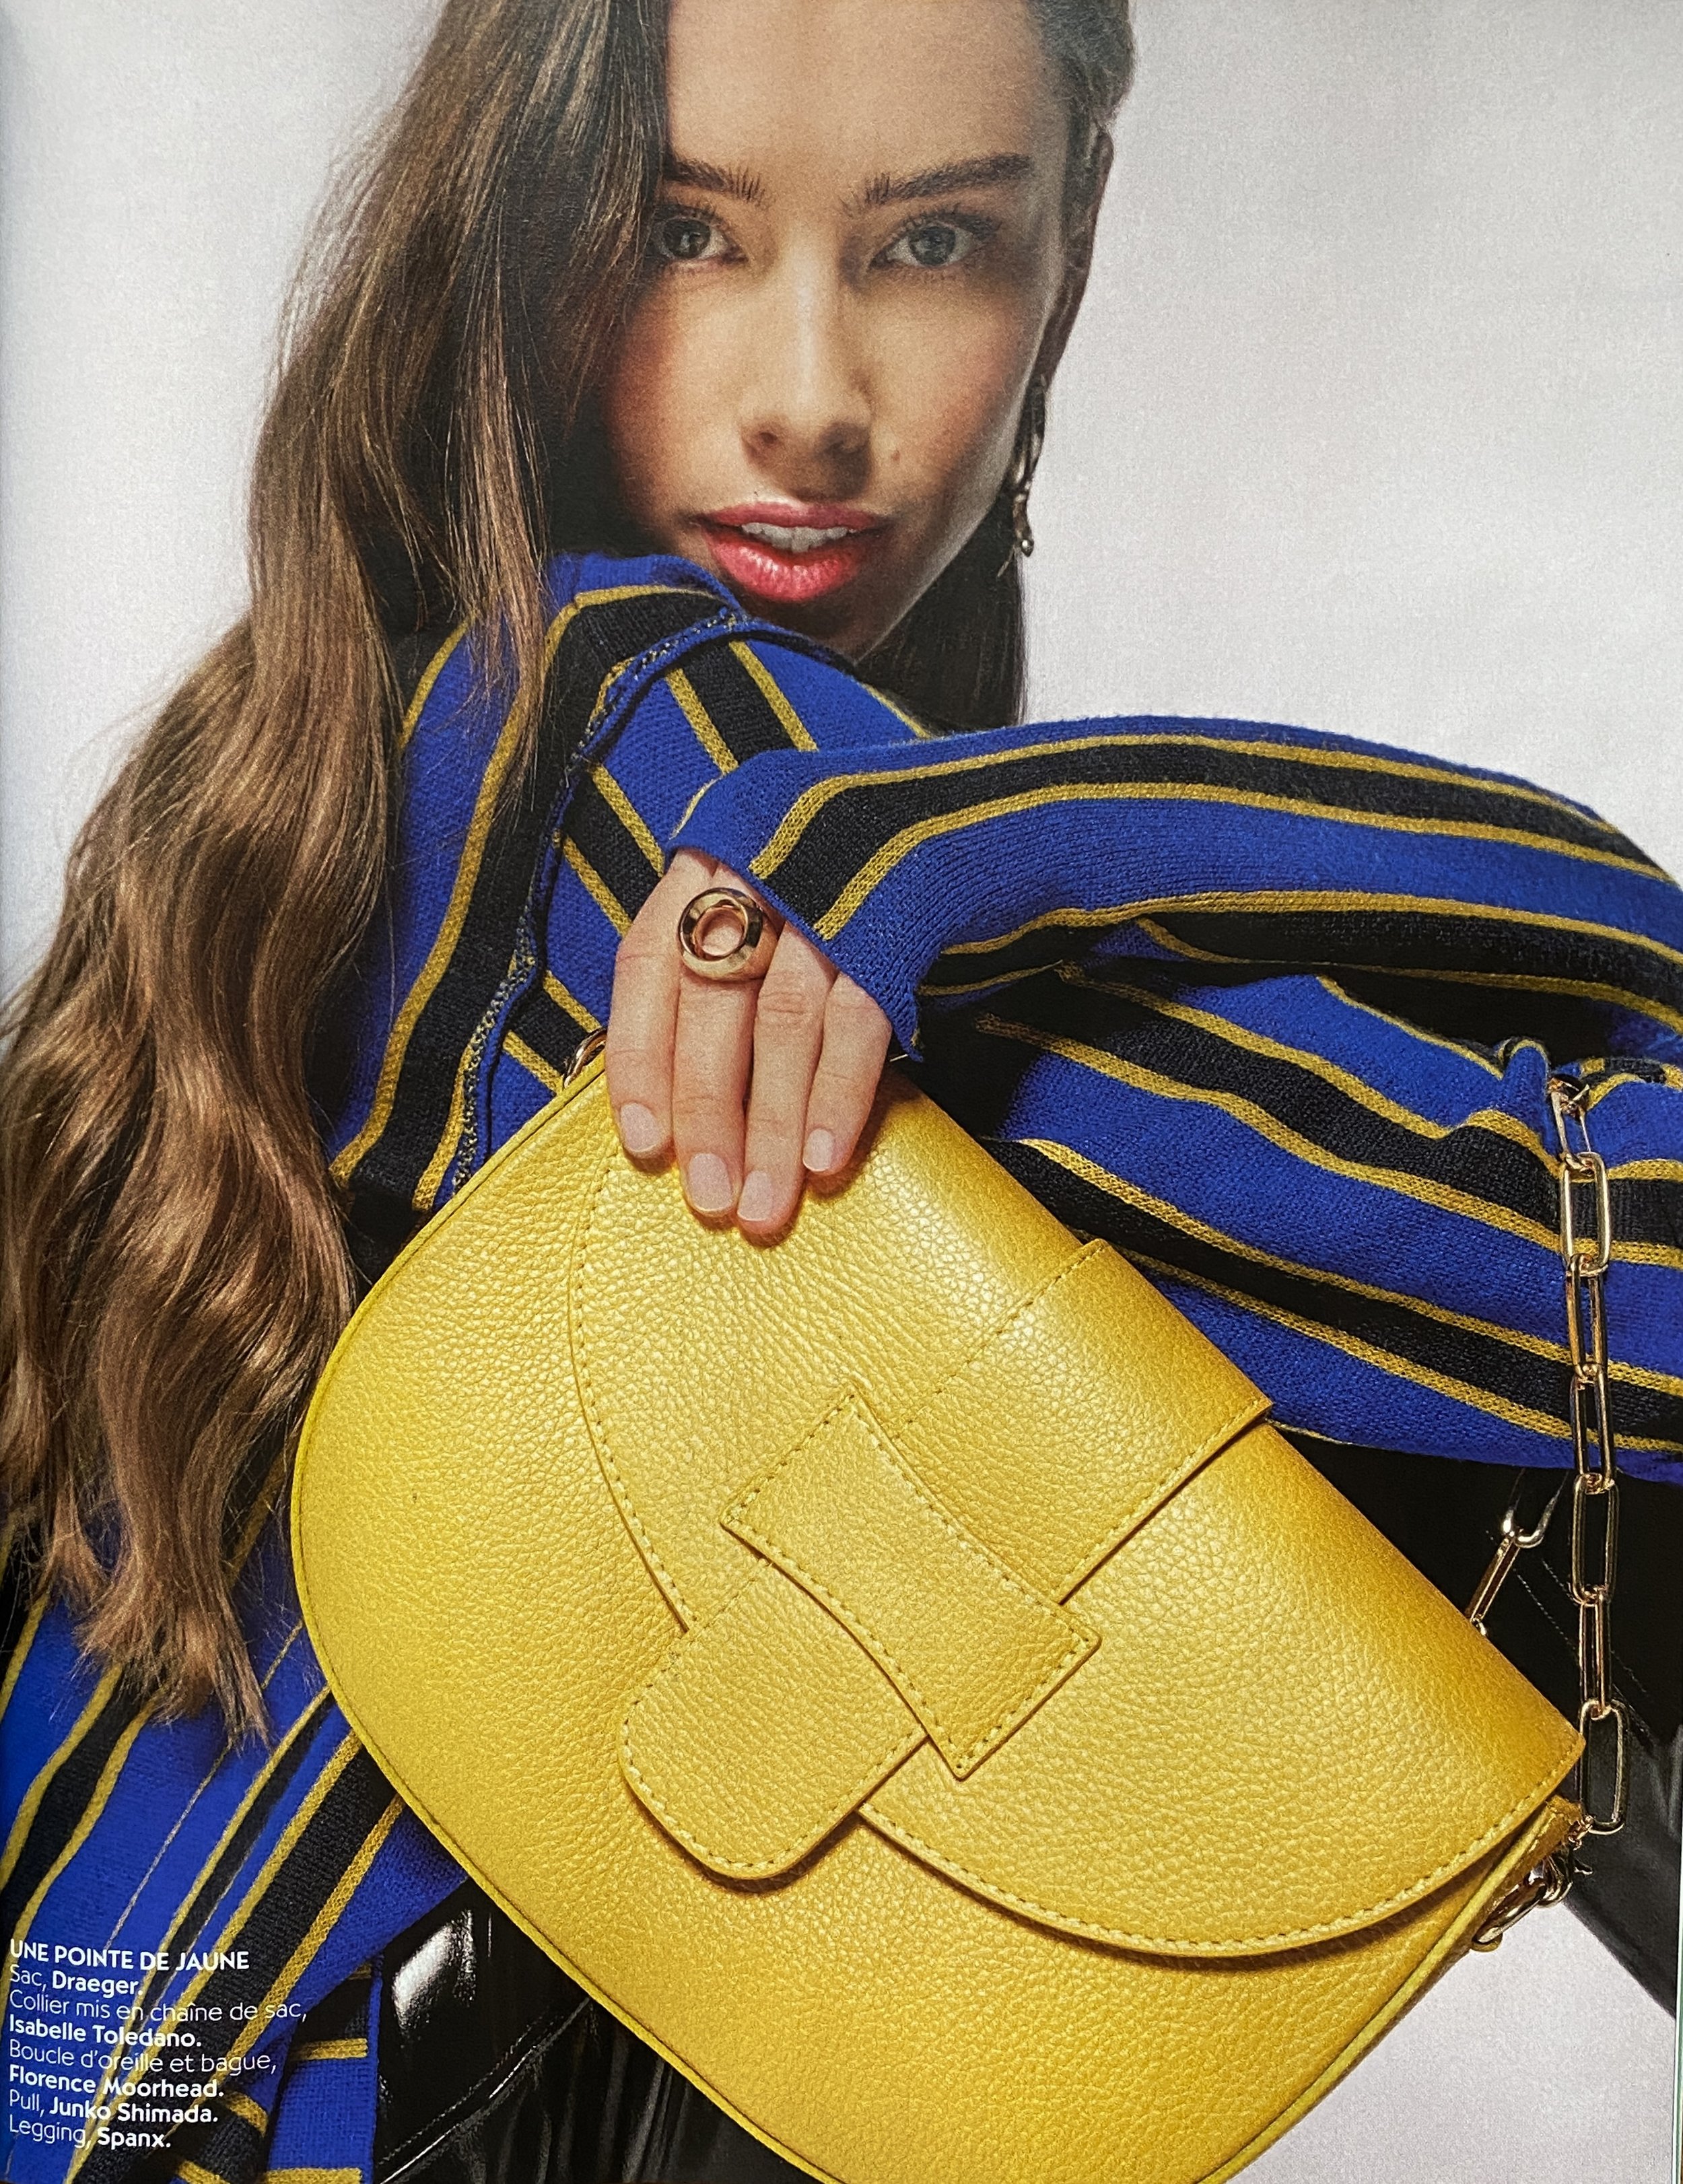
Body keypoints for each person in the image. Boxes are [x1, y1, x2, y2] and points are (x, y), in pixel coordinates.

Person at [1, 3, 1678, 2182]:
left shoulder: (310, 761)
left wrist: (979, 828)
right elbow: (1621, 1278)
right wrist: (999, 843)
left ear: (1061, 265)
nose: (805, 402)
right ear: (512, 238)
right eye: (685, 232)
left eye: (930, 247)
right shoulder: (656, 769)